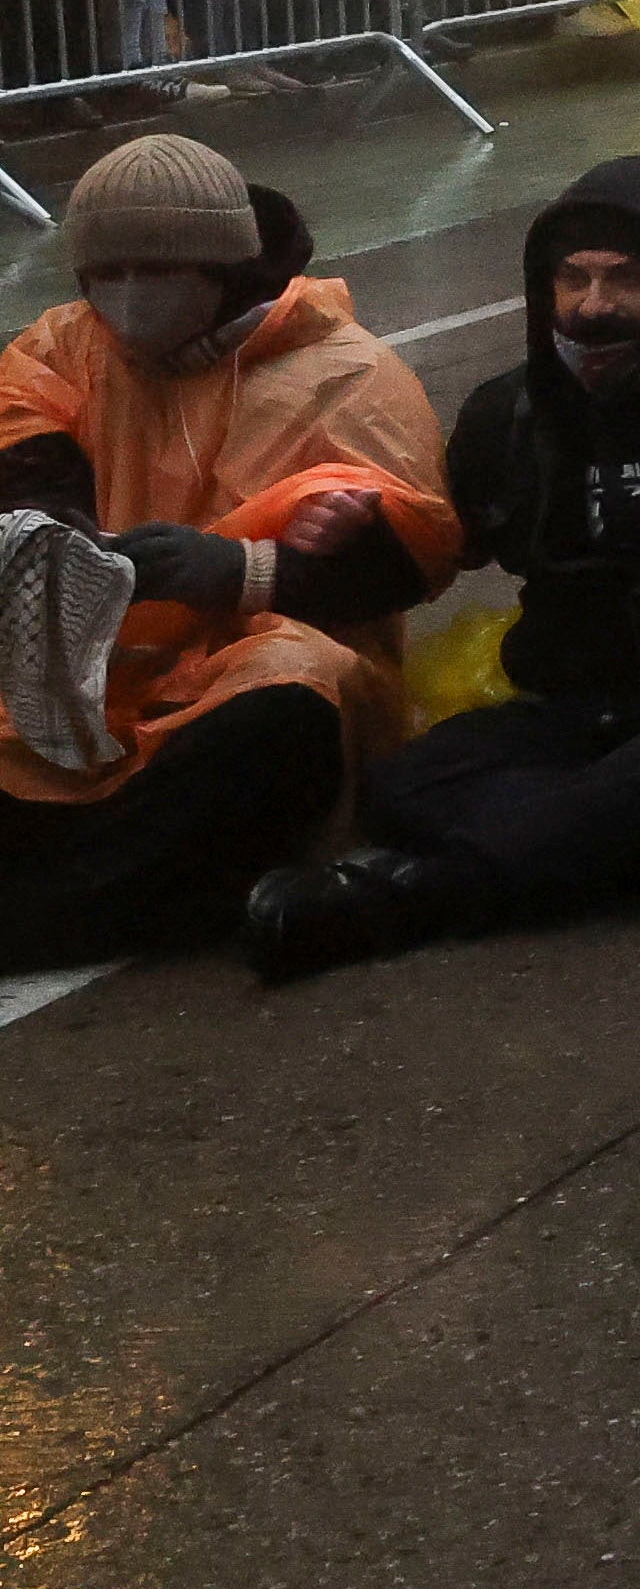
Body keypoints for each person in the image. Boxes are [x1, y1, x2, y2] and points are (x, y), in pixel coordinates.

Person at [238, 157, 640, 979]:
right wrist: (344, 538)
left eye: (626, 279)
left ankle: (421, 895)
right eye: (573, 279)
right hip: (590, 713)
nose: (594, 307)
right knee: (407, 783)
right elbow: (433, 557)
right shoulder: (509, 412)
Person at [0, 134, 456, 966]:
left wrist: (245, 572)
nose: (128, 298)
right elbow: (20, 438)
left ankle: (68, 904)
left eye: (159, 271)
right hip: (93, 668)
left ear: (224, 269)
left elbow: (412, 556)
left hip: (248, 667)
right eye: (108, 274)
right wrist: (55, 529)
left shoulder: (345, 374)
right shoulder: (71, 344)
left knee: (291, 695)